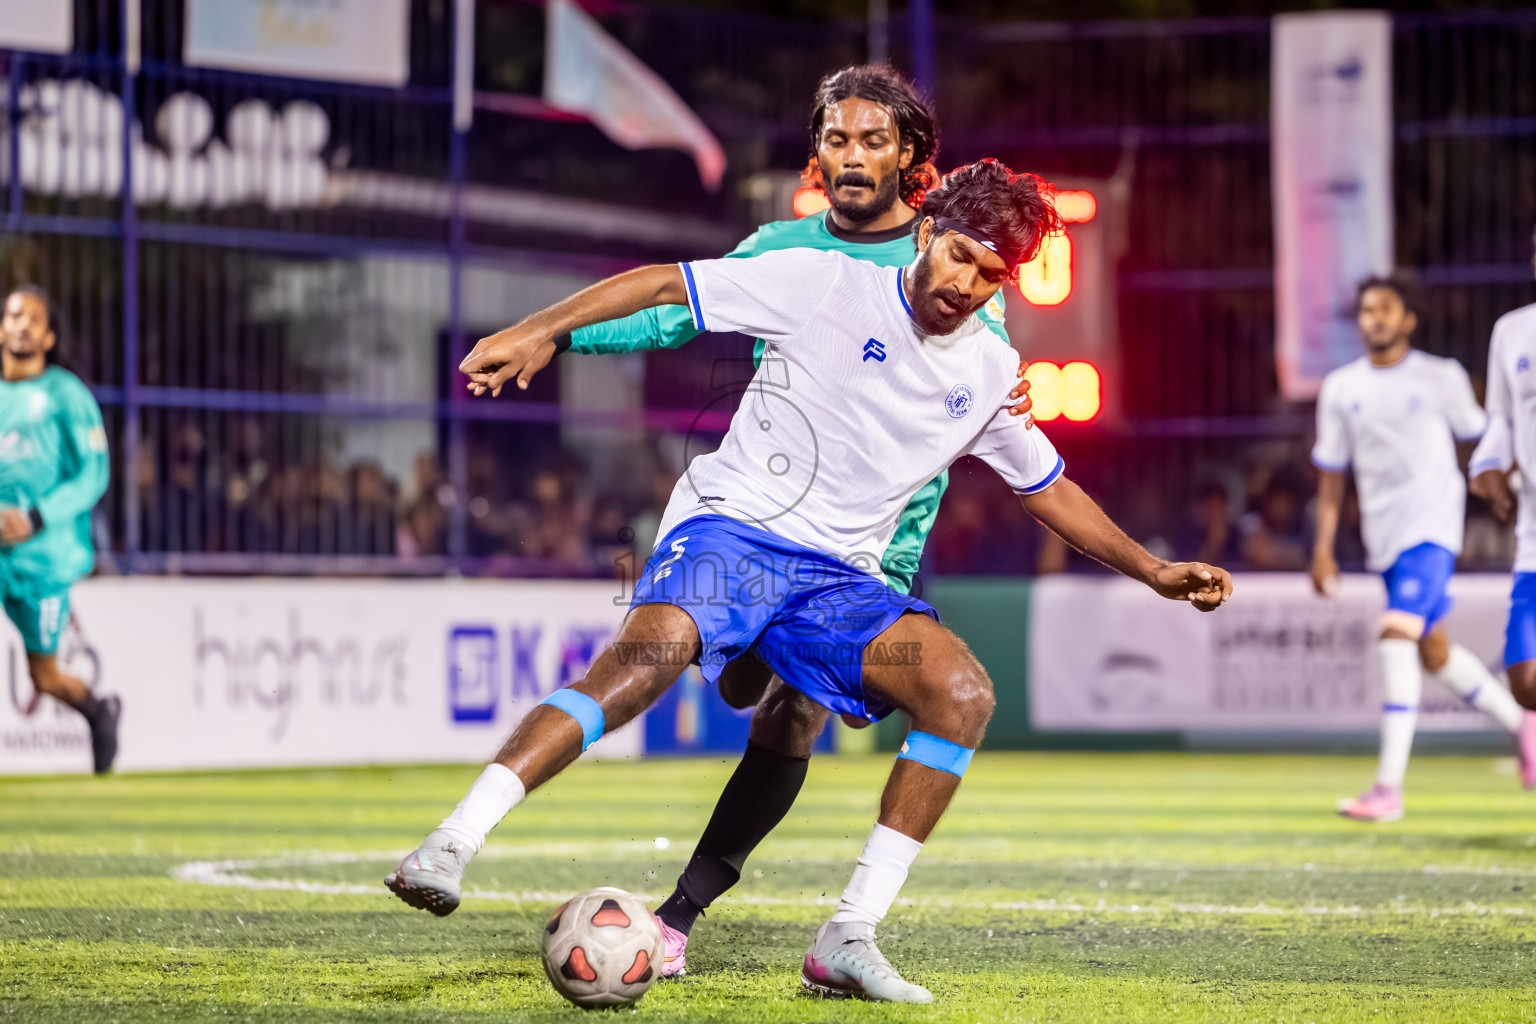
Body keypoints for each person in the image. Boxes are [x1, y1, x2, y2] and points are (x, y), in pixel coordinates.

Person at [386, 160, 1234, 1002]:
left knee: (962, 694)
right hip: (735, 525)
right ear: (929, 232)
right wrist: (542, 330)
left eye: (993, 275)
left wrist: (1154, 570)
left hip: (837, 580)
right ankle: (452, 843)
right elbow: (662, 286)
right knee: (652, 654)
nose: (969, 284)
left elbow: (1047, 486)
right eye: (962, 255)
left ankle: (847, 936)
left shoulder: (987, 371)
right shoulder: (823, 283)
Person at [537, 64, 1031, 977]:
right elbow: (663, 318)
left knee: (793, 714)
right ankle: (742, 686)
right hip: (770, 518)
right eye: (837, 139)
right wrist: (555, 335)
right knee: (769, 693)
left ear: (910, 157)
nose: (852, 156)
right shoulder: (782, 247)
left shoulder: (956, 265)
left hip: (879, 543)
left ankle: (681, 912)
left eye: (873, 140)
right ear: (819, 151)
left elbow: (992, 388)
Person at [1311, 272, 1535, 823]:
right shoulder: (1341, 388)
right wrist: (1322, 548)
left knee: (1394, 637)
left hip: (1433, 528)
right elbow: (1332, 477)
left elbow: (1491, 432)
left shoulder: (1440, 377)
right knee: (1432, 652)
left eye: (1387, 308)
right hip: (1384, 539)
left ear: (1408, 319)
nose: (1376, 318)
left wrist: (1495, 479)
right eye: (1367, 310)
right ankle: (1522, 724)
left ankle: (1388, 789)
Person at [0, 285, 117, 773]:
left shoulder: (65, 394)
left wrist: (35, 517)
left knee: (44, 677)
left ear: (48, 336)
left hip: (40, 558)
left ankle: (97, 709)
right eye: (12, 316)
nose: (21, 324)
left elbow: (94, 473)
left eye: (33, 319)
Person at [1469, 224, 1536, 718]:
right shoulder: (1512, 330)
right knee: (1525, 682)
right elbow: (1502, 421)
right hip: (1532, 532)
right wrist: (1487, 464)